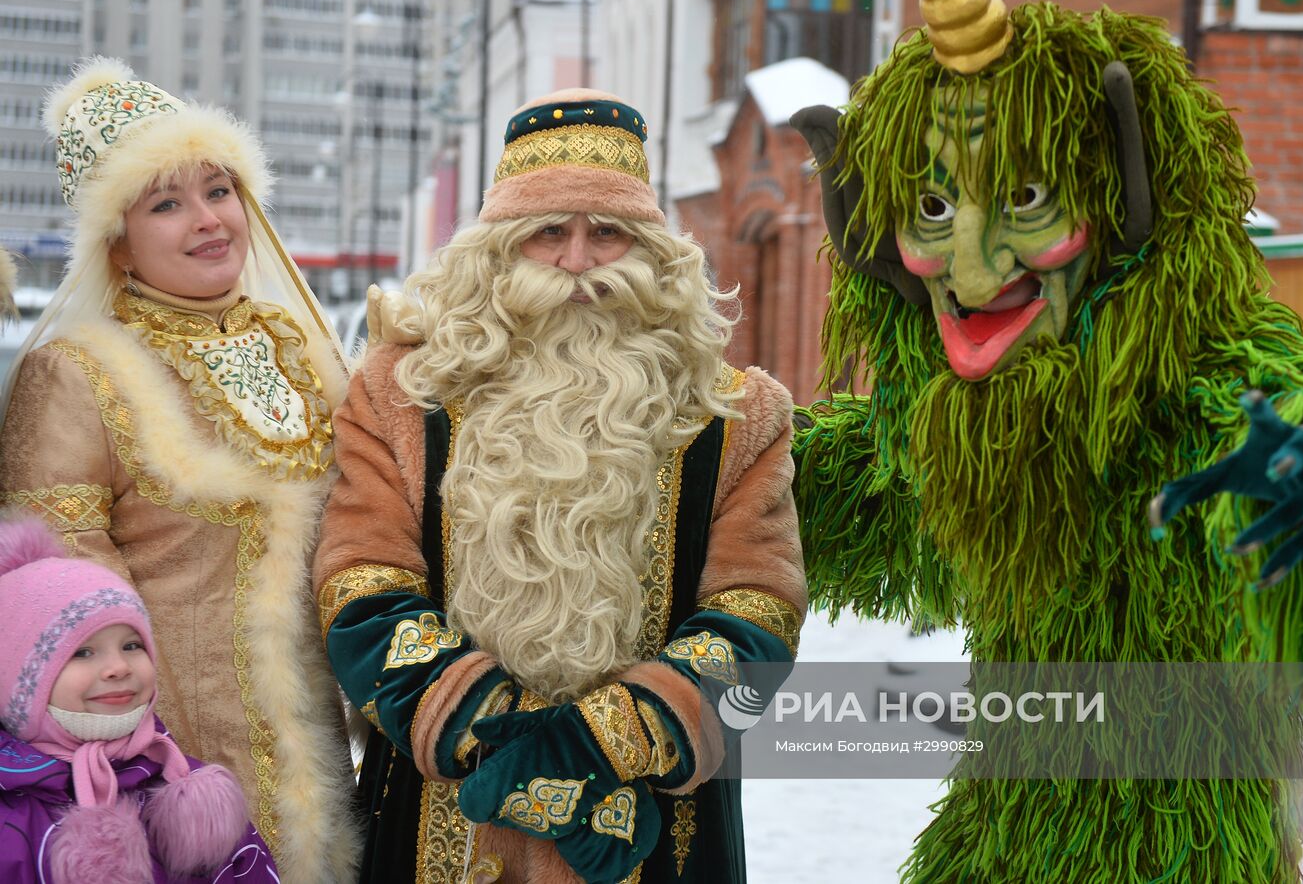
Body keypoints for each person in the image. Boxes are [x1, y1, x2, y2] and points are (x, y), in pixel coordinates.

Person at [789, 0, 1303, 882]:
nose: (972, 265)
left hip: (1186, 849)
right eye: (932, 206)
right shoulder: (974, 426)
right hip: (993, 836)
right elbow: (867, 490)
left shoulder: (1197, 384)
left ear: (1128, 201)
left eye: (1028, 199)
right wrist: (720, 458)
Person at [313, 88, 806, 883]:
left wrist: (602, 741)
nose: (578, 263)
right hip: (448, 808)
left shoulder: (738, 412)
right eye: (549, 232)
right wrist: (498, 731)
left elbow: (758, 608)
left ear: (651, 250)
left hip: (655, 823)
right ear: (501, 248)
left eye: (607, 232)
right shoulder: (402, 394)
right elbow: (362, 587)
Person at [0, 58, 360, 882]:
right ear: (116, 241)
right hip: (174, 777)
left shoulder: (302, 348)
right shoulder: (77, 374)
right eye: (166, 203)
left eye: (219, 190)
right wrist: (149, 773)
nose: (208, 220)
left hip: (330, 765)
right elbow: (63, 613)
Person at [0, 515, 279, 883]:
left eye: (132, 646)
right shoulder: (13, 818)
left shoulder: (179, 785)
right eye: (82, 653)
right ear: (18, 680)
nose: (118, 667)